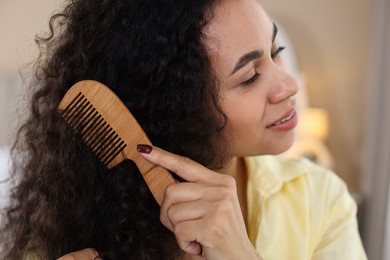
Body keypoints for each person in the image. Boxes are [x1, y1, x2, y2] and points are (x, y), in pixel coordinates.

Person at [0, 0, 367, 259]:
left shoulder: (319, 201)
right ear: (177, 110)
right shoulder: (69, 224)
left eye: (276, 50)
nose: (289, 85)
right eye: (250, 77)